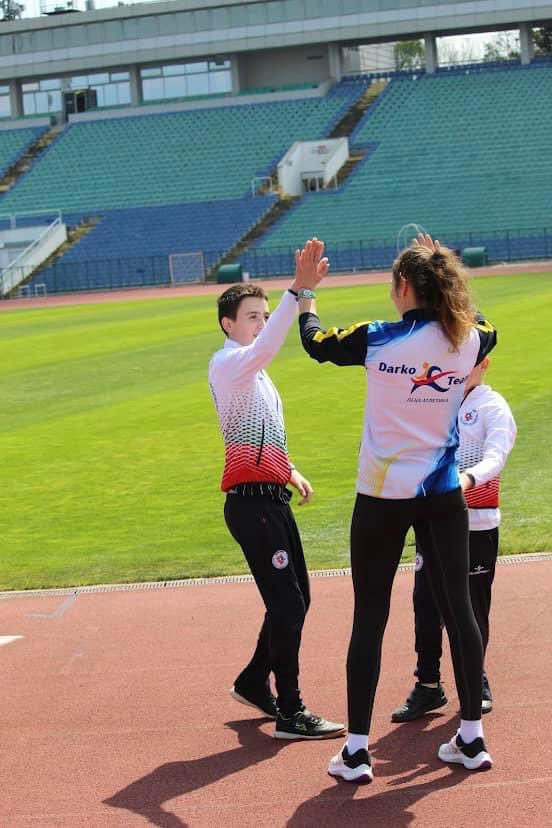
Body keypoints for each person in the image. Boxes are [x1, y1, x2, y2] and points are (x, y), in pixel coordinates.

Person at [296, 234, 497, 782]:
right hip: (442, 496)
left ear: (403, 286)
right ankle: (472, 738)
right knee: (460, 608)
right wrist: (446, 270)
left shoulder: (379, 338)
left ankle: (357, 752)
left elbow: (315, 342)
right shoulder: (470, 340)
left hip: (382, 498)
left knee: (370, 616)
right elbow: (487, 327)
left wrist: (305, 292)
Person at [208, 239, 345, 741]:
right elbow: (267, 348)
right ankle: (291, 711)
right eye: (252, 316)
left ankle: (252, 681)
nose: (261, 323)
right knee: (288, 606)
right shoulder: (229, 363)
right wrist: (299, 291)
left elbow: (263, 432)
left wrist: (290, 470)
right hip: (250, 506)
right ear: (228, 324)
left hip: (271, 498)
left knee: (298, 600)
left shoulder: (256, 375)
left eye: (265, 315)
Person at [391, 358, 516, 723]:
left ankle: (476, 678)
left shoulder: (491, 406)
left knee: (473, 607)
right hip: (431, 522)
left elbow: (496, 455)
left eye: (468, 360)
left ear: (485, 363)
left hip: (475, 522)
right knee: (425, 604)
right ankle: (428, 686)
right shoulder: (434, 402)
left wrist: (468, 479)